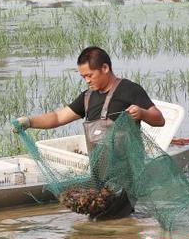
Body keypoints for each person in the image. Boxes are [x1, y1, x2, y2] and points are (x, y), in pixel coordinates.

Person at [15, 46, 165, 219]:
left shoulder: (130, 90)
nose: (86, 80)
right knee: (101, 221)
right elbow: (57, 117)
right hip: (99, 175)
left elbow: (159, 119)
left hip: (125, 176)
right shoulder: (88, 97)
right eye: (83, 76)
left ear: (105, 68)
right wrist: (29, 121)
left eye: (89, 75)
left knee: (109, 222)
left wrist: (142, 113)